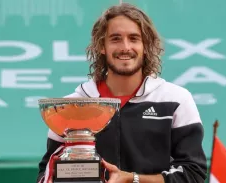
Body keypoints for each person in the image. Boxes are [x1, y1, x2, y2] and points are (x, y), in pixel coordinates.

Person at [36, 3, 207, 183]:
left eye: (134, 38)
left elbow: (193, 174)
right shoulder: (71, 106)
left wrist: (131, 179)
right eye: (115, 39)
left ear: (145, 45)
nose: (125, 47)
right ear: (102, 46)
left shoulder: (175, 100)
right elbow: (46, 174)